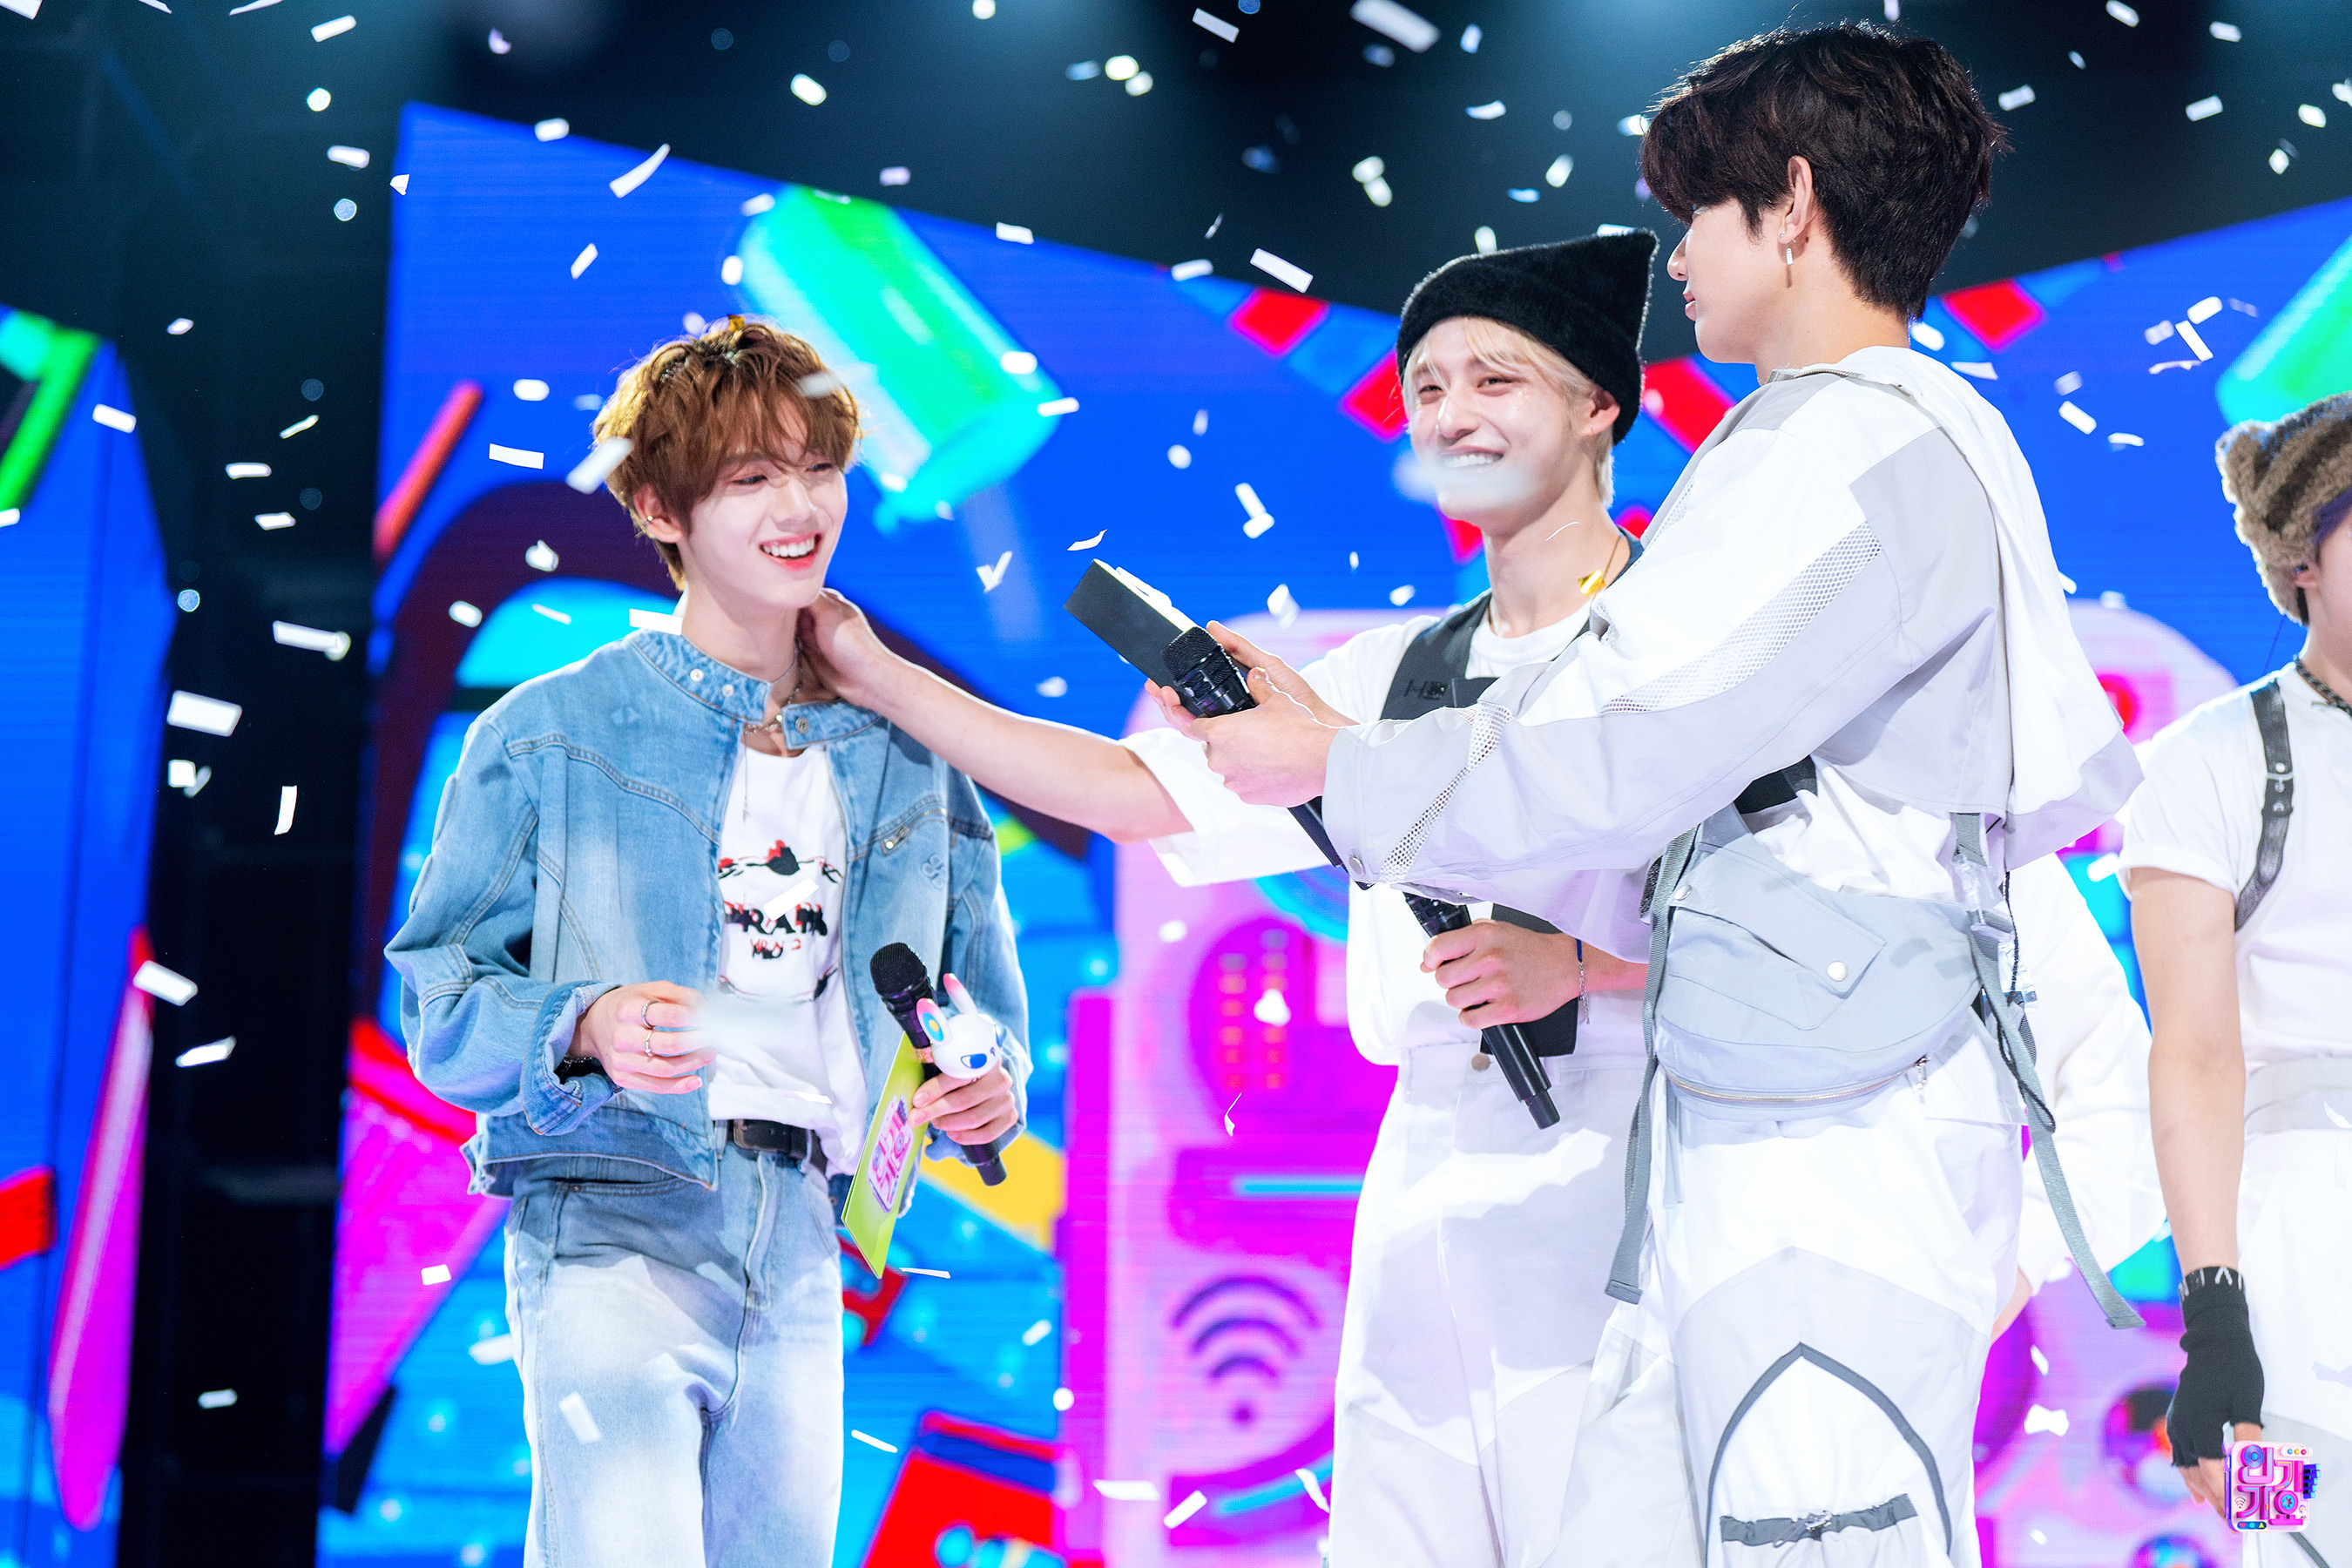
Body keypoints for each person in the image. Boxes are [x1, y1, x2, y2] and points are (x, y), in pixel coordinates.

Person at [1169, 24, 2161, 1565]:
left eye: (1702, 211)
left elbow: (1627, 744)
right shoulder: (1909, 432)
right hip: (1785, 1130)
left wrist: (1338, 764)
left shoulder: (1840, 443)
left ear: (1795, 203)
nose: (1680, 256)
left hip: (1828, 1154)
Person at [805, 233, 1663, 1567]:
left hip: (1628, 1155)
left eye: (1496, 378)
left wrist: (1589, 968)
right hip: (1427, 1169)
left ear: (1599, 401)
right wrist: (879, 676)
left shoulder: (1689, 645)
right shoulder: (1391, 674)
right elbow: (1132, 794)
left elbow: (1824, 921)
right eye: (1427, 387)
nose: (1453, 414)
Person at [387, 319, 1030, 1568]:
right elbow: (441, 998)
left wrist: (987, 1086)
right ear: (656, 507)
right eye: (752, 478)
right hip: (614, 1211)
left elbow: (982, 1010)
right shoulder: (550, 732)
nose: (800, 508)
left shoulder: (909, 758)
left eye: (820, 469)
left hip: (808, 1232)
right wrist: (582, 1022)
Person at [2123, 394, 2352, 1565]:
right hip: (2295, 1236)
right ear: (2304, 553)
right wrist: (2215, 1325)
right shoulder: (2209, 762)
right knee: (2288, 1545)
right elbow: (2197, 1056)